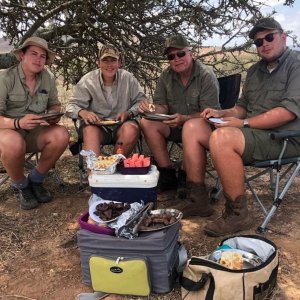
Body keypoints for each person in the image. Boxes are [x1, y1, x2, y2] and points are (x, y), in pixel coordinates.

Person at [179, 17, 300, 236]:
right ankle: (198, 199)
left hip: (284, 138)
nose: (264, 44)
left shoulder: (297, 65)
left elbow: (287, 112)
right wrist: (223, 113)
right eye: (258, 42)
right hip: (252, 135)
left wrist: (242, 123)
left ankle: (237, 214)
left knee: (222, 137)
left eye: (269, 37)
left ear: (284, 37)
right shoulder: (254, 71)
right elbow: (242, 108)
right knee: (193, 126)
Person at [138, 34, 219, 195]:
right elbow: (162, 106)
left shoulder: (205, 75)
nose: (176, 59)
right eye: (171, 56)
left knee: (191, 126)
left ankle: (184, 175)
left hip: (201, 127)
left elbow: (209, 114)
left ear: (191, 53)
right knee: (147, 122)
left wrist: (185, 119)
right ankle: (167, 173)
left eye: (180, 54)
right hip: (174, 124)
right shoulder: (166, 76)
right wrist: (151, 109)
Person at [0, 37, 69, 210]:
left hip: (36, 130)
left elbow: (54, 103)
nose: (38, 59)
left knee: (61, 134)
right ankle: (21, 185)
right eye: (33, 54)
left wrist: (53, 114)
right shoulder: (5, 78)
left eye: (43, 56)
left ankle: (36, 180)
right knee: (14, 142)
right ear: (22, 55)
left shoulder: (48, 77)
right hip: (7, 131)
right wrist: (18, 123)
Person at [66, 44, 147, 157]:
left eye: (113, 60)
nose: (109, 64)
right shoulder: (88, 80)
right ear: (98, 62)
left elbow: (141, 101)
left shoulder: (128, 78)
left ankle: (113, 166)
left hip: (122, 125)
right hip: (97, 127)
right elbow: (70, 107)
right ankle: (94, 172)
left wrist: (129, 113)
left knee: (132, 129)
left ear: (119, 63)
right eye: (105, 60)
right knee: (89, 131)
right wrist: (83, 112)